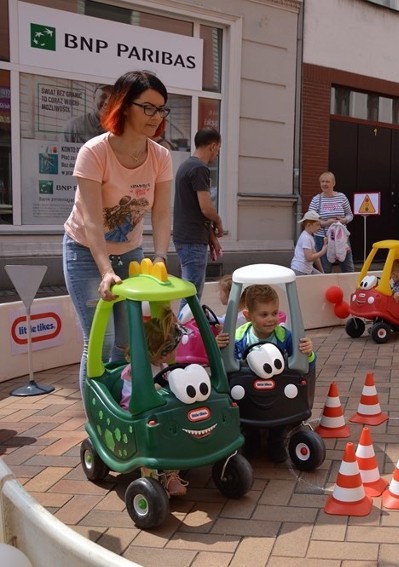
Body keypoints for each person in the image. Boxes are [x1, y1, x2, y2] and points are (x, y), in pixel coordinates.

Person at [63, 70, 173, 400]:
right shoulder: (94, 152)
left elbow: (162, 213)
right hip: (84, 250)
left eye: (162, 109)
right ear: (125, 106)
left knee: (127, 341)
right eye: (148, 107)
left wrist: (160, 257)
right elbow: (92, 220)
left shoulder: (160, 156)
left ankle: (119, 403)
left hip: (130, 253)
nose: (156, 117)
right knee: (101, 340)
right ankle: (97, 420)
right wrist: (105, 270)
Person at [215, 284, 316, 461]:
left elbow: (304, 363)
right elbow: (225, 365)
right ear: (248, 315)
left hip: (277, 393)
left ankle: (276, 440)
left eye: (275, 313)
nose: (271, 319)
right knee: (244, 413)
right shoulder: (239, 336)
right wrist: (219, 348)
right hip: (249, 393)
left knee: (281, 414)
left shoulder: (284, 335)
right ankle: (251, 437)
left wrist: (308, 351)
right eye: (264, 314)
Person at [118, 309, 188, 496]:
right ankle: (165, 475)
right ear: (152, 350)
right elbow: (139, 395)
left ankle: (180, 460)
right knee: (158, 431)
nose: (170, 355)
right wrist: (161, 385)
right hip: (136, 413)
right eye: (166, 352)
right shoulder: (135, 369)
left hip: (158, 409)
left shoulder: (162, 365)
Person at [173, 127, 223, 307]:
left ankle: (184, 332)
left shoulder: (186, 166)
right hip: (192, 240)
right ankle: (186, 333)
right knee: (192, 295)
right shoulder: (200, 168)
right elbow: (206, 208)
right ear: (212, 146)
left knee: (188, 291)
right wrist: (218, 220)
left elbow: (193, 210)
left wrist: (210, 236)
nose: (217, 155)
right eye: (218, 150)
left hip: (186, 237)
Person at [307, 172, 354, 273]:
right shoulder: (316, 200)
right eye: (322, 181)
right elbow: (310, 219)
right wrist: (326, 223)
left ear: (333, 183)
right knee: (325, 268)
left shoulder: (342, 197)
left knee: (348, 267)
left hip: (341, 238)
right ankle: (326, 288)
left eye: (327, 181)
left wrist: (344, 220)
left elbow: (350, 215)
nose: (324, 184)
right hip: (322, 238)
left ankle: (351, 287)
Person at [291, 210, 327, 275]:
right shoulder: (306, 238)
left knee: (322, 278)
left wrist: (322, 272)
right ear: (309, 225)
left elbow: (315, 256)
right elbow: (309, 258)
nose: (319, 227)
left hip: (307, 269)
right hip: (300, 270)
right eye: (317, 225)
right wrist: (322, 251)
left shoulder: (310, 236)